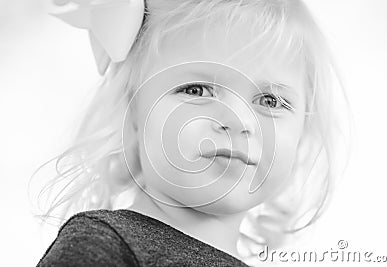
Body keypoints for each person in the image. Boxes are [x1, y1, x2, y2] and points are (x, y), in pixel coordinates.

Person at [32, 0, 351, 266]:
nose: (240, 121)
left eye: (270, 101)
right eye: (197, 90)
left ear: (302, 133)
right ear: (132, 111)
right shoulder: (105, 244)